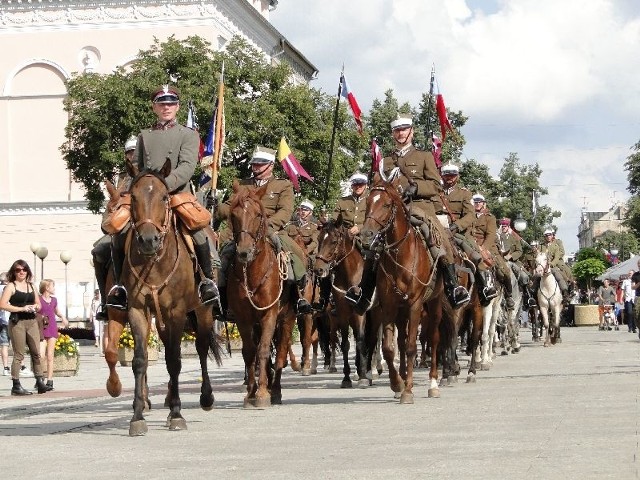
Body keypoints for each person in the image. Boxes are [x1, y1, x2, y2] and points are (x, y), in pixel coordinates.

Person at [102, 85, 220, 314]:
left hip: (177, 194)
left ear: (177, 107)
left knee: (199, 234)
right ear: (154, 107)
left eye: (171, 104)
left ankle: (206, 282)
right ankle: (119, 287)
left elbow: (187, 167)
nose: (167, 108)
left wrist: (163, 185)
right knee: (119, 232)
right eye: (162, 104)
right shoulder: (144, 135)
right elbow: (135, 168)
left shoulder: (188, 134)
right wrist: (131, 191)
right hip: (147, 197)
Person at [346, 116, 469, 313]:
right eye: (397, 131)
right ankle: (364, 292)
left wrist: (416, 187)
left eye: (404, 130)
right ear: (393, 134)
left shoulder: (424, 156)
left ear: (411, 132)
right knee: (373, 247)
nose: (400, 133)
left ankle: (453, 286)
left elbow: (436, 185)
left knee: (439, 240)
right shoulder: (385, 161)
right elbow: (378, 185)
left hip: (419, 208)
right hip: (392, 210)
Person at [216, 146, 313, 316]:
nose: (256, 168)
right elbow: (228, 208)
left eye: (260, 165)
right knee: (224, 256)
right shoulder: (243, 185)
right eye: (254, 165)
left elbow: (285, 211)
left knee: (293, 255)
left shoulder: (283, 185)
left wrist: (267, 226)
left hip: (272, 230)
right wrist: (218, 206)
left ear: (270, 166)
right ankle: (223, 302)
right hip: (245, 231)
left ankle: (299, 297)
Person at [436, 163, 497, 304]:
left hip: (459, 233)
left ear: (457, 177)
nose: (449, 178)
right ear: (442, 176)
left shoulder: (465, 193)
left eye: (452, 176)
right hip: (438, 229)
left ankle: (484, 287)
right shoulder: (436, 192)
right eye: (446, 175)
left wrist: (456, 226)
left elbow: (470, 215)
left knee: (475, 255)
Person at [91, 136, 137, 320]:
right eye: (129, 152)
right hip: (121, 225)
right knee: (98, 252)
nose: (132, 156)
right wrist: (107, 222)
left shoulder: (148, 173)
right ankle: (107, 299)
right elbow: (112, 204)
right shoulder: (122, 178)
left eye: (135, 152)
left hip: (147, 224)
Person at [0, 260, 48, 395]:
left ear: (28, 271)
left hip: (32, 321)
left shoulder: (31, 286)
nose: (21, 272)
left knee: (36, 353)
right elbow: (2, 304)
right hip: (17, 322)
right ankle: (16, 384)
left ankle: (40, 381)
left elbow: (38, 303)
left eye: (24, 269)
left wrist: (36, 307)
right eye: (18, 270)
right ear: (13, 272)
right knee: (19, 354)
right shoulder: (11, 286)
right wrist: (21, 308)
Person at [462, 194, 515, 308]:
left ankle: (508, 295)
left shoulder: (490, 217)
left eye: (479, 202)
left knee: (504, 270)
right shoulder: (467, 215)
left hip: (487, 246)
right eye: (475, 202)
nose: (477, 204)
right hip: (470, 244)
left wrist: (483, 247)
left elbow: (491, 235)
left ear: (483, 203)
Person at [39, 279, 69, 391]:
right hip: (41, 329)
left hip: (52, 328)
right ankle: (40, 378)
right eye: (52, 286)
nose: (54, 288)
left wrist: (63, 317)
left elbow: (57, 311)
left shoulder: (54, 300)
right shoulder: (39, 299)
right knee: (41, 355)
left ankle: (50, 380)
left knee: (50, 356)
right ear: (47, 288)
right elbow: (35, 311)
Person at [498, 218, 534, 307]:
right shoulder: (497, 237)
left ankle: (528, 297)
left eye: (505, 226)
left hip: (512, 262)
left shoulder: (514, 238)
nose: (503, 228)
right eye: (502, 226)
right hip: (498, 261)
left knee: (524, 277)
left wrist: (510, 256)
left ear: (508, 227)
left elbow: (519, 251)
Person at [539, 227, 573, 303]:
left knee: (564, 273)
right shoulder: (541, 246)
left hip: (556, 263)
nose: (548, 237)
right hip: (543, 265)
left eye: (550, 235)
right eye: (546, 235)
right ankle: (532, 295)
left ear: (553, 235)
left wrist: (552, 263)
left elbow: (561, 253)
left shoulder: (557, 243)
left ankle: (567, 291)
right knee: (536, 277)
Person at [0, 272, 10, 376]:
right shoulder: (8, 289)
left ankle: (6, 367)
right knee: (17, 344)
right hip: (11, 319)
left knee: (4, 345)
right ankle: (21, 366)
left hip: (2, 320)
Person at [631, 259, 640, 339]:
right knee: (636, 315)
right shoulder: (635, 275)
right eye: (639, 263)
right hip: (638, 297)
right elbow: (632, 287)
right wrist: (638, 284)